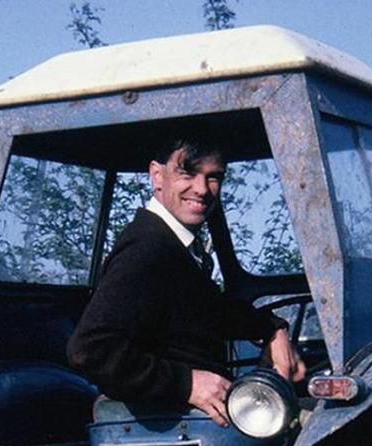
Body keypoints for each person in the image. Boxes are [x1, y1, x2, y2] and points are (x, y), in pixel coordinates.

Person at [66, 137, 305, 426]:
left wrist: (272, 329)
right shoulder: (147, 248)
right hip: (172, 423)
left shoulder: (174, 247)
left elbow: (203, 309)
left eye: (213, 177)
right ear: (157, 176)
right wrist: (188, 383)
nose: (202, 189)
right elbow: (90, 350)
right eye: (187, 173)